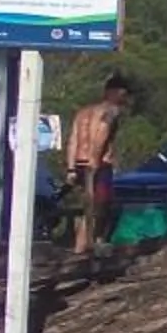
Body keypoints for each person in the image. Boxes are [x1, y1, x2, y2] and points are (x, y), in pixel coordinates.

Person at [63, 73, 132, 254]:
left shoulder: (82, 113)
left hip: (79, 162)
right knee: (97, 208)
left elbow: (73, 140)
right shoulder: (111, 111)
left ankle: (81, 245)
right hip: (98, 164)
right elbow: (102, 132)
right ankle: (85, 246)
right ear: (115, 92)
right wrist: (95, 159)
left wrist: (71, 168)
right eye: (123, 94)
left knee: (87, 205)